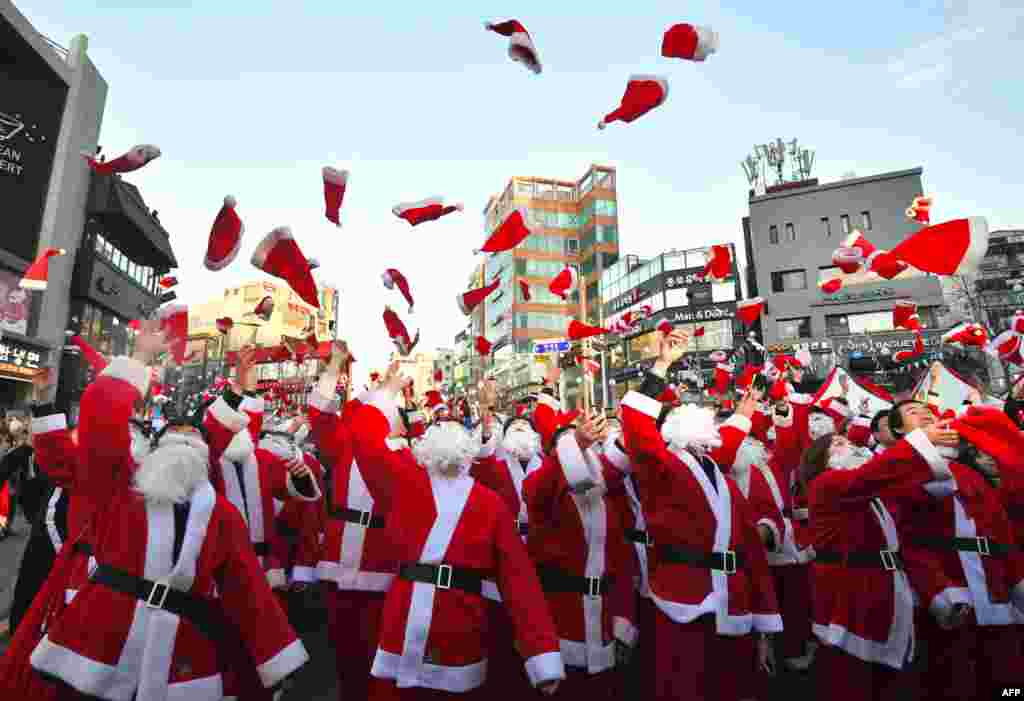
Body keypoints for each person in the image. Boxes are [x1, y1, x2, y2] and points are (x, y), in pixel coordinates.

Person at [1, 322, 309, 700]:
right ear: (152, 454)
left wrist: (276, 662)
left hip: (183, 653)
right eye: (173, 436)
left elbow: (250, 593)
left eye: (193, 437)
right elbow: (99, 429)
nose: (184, 440)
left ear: (206, 458)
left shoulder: (221, 516)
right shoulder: (120, 490)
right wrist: (139, 359)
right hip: (98, 646)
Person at [349, 363, 565, 699]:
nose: (447, 432)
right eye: (440, 427)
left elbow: (518, 580)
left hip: (460, 630)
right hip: (403, 622)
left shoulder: (488, 503)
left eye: (455, 429)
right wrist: (389, 390)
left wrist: (541, 654)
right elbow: (364, 439)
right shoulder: (404, 482)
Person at [619, 328, 781, 701]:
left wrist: (765, 623)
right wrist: (661, 365)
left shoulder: (718, 474)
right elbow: (637, 426)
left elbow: (752, 554)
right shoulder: (662, 467)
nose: (705, 418)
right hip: (685, 602)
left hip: (735, 603)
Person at [800, 416, 960, 701]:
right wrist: (919, 441)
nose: (848, 446)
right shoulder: (826, 483)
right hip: (853, 596)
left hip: (887, 591)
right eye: (837, 443)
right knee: (852, 679)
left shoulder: (870, 494)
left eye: (849, 441)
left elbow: (911, 486)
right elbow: (870, 475)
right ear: (821, 462)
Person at [887, 399, 1024, 699]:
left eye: (928, 410)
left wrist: (1016, 581)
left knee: (1009, 683)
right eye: (912, 412)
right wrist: (939, 592)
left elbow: (1001, 532)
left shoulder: (970, 473)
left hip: (994, 589)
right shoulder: (896, 472)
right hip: (950, 592)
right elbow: (906, 540)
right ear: (897, 429)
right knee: (955, 681)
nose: (924, 413)